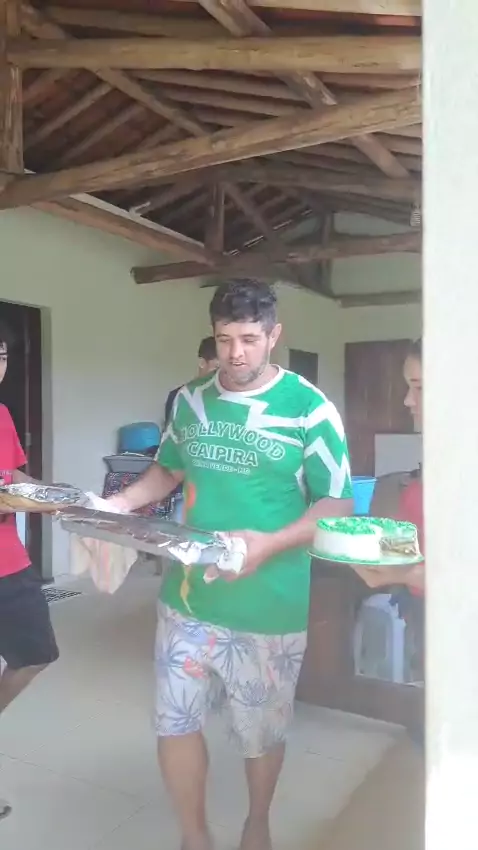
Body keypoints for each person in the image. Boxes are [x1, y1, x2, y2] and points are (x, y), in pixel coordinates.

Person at [108, 279, 353, 850]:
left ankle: (256, 822)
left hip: (268, 602)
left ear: (274, 335)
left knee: (259, 732)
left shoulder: (309, 409)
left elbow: (337, 503)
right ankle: (194, 837)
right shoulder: (191, 400)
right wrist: (119, 504)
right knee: (174, 720)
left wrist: (269, 543)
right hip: (188, 595)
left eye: (249, 339)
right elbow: (168, 468)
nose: (235, 354)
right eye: (224, 340)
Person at [0, 322, 59, 821]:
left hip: (9, 561)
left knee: (37, 653)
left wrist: (49, 495)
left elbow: (12, 475)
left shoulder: (1, 415)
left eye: (0, 355)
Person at [352, 338, 424, 594]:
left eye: (420, 387)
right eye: (408, 387)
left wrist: (407, 575)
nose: (408, 400)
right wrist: (376, 553)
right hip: (417, 609)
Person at [164, 336, 218, 426]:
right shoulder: (178, 396)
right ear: (202, 363)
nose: (220, 374)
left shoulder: (228, 397)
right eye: (216, 367)